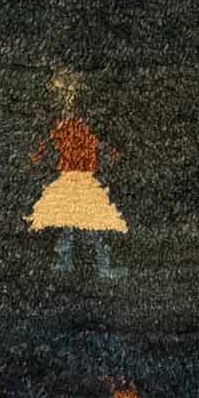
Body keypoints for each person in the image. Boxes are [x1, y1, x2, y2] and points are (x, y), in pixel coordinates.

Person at [27, 70, 126, 279]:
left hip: (76, 178)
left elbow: (92, 143)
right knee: (85, 223)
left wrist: (37, 155)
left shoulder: (70, 127)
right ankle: (90, 265)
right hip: (76, 178)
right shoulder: (69, 127)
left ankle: (71, 263)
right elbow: (93, 143)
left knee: (77, 222)